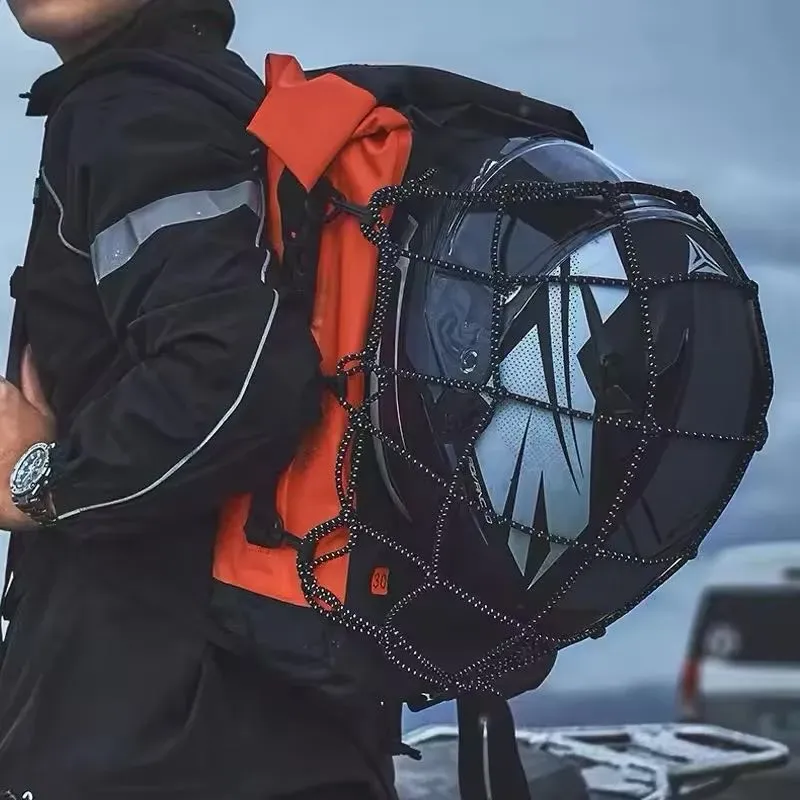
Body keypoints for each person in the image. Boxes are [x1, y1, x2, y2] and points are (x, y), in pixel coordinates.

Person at [0, 1, 397, 798]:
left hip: (158, 723)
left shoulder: (132, 111)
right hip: (278, 700)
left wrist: (38, 483)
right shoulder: (221, 103)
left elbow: (234, 375)